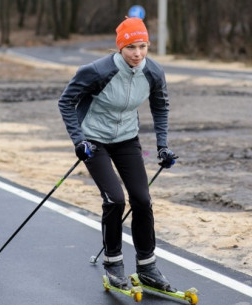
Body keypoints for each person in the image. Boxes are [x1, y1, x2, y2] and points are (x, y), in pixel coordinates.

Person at [58, 17, 178, 291]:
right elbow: (66, 101)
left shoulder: (153, 72)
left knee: (142, 199)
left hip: (126, 139)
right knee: (115, 199)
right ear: (120, 48)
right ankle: (113, 262)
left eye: (143, 46)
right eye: (131, 47)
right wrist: (78, 140)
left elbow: (160, 107)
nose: (138, 53)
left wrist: (163, 145)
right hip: (94, 141)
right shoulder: (97, 71)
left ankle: (147, 267)